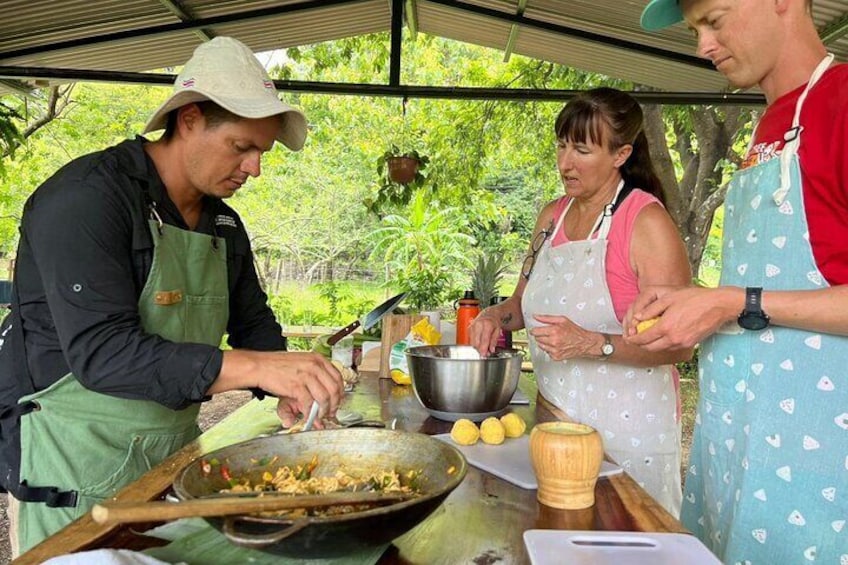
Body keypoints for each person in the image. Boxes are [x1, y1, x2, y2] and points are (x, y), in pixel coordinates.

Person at [0, 37, 345, 555]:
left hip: (171, 457)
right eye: (241, 147)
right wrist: (256, 370)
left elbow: (253, 323)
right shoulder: (86, 200)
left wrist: (288, 385)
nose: (255, 169)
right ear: (187, 120)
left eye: (262, 153)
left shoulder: (223, 224)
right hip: (74, 464)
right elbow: (104, 355)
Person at [631, 0, 848, 561]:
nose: (702, 45)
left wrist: (736, 301)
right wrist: (697, 302)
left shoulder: (842, 102)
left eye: (715, 19)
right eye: (695, 28)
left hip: (820, 474)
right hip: (738, 455)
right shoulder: (773, 123)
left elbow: (759, 299)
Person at [470, 87, 693, 515]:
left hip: (628, 432)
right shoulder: (552, 216)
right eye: (561, 146)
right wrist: (494, 316)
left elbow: (680, 344)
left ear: (621, 154)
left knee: (623, 540)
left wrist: (595, 344)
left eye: (582, 150)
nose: (564, 163)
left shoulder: (645, 222)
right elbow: (522, 304)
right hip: (556, 419)